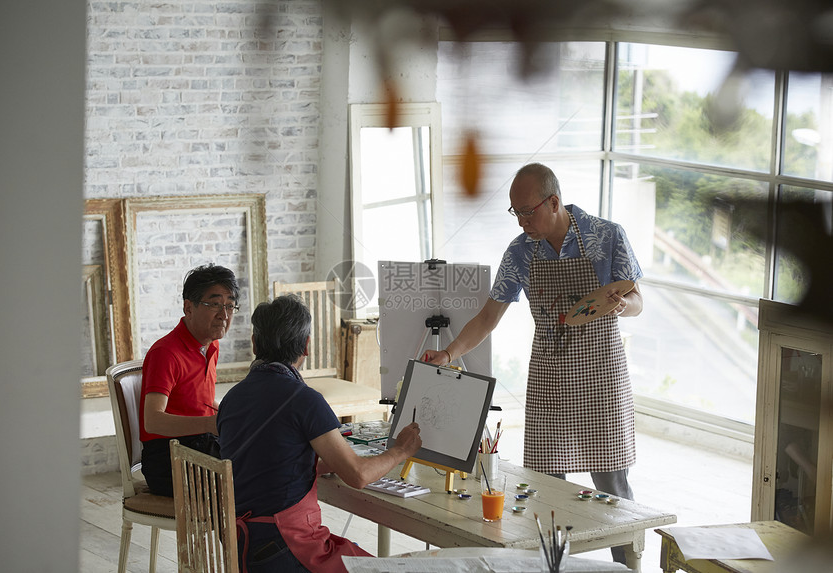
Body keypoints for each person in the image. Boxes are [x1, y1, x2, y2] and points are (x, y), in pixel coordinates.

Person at [423, 163, 643, 563]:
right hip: (550, 376)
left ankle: (629, 567)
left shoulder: (606, 236)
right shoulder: (521, 251)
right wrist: (449, 354)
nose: (522, 221)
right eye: (516, 212)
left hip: (602, 377)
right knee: (546, 490)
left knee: (614, 492)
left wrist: (622, 304)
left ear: (554, 202)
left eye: (528, 211)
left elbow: (636, 300)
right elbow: (489, 316)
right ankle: (553, 567)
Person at [217, 294, 422, 573]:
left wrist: (318, 464)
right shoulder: (304, 400)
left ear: (255, 345)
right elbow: (358, 476)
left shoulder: (231, 399)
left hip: (243, 547)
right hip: (284, 548)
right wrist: (401, 450)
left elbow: (265, 461)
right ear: (306, 346)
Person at [139, 263, 240, 496]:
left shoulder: (210, 345)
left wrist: (230, 414)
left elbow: (198, 402)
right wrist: (209, 423)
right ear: (188, 307)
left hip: (199, 445)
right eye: (214, 304)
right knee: (250, 476)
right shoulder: (166, 353)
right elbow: (152, 421)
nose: (224, 315)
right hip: (168, 459)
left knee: (264, 455)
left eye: (230, 306)